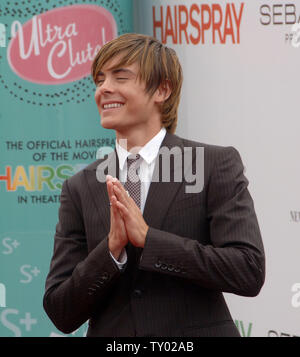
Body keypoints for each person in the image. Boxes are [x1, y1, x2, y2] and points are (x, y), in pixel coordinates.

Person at [43, 33, 265, 337]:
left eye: (120, 77)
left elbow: (248, 270)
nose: (104, 88)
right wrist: (110, 250)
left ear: (162, 89)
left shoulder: (213, 164)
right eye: (100, 79)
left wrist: (150, 239)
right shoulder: (80, 187)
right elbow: (60, 310)